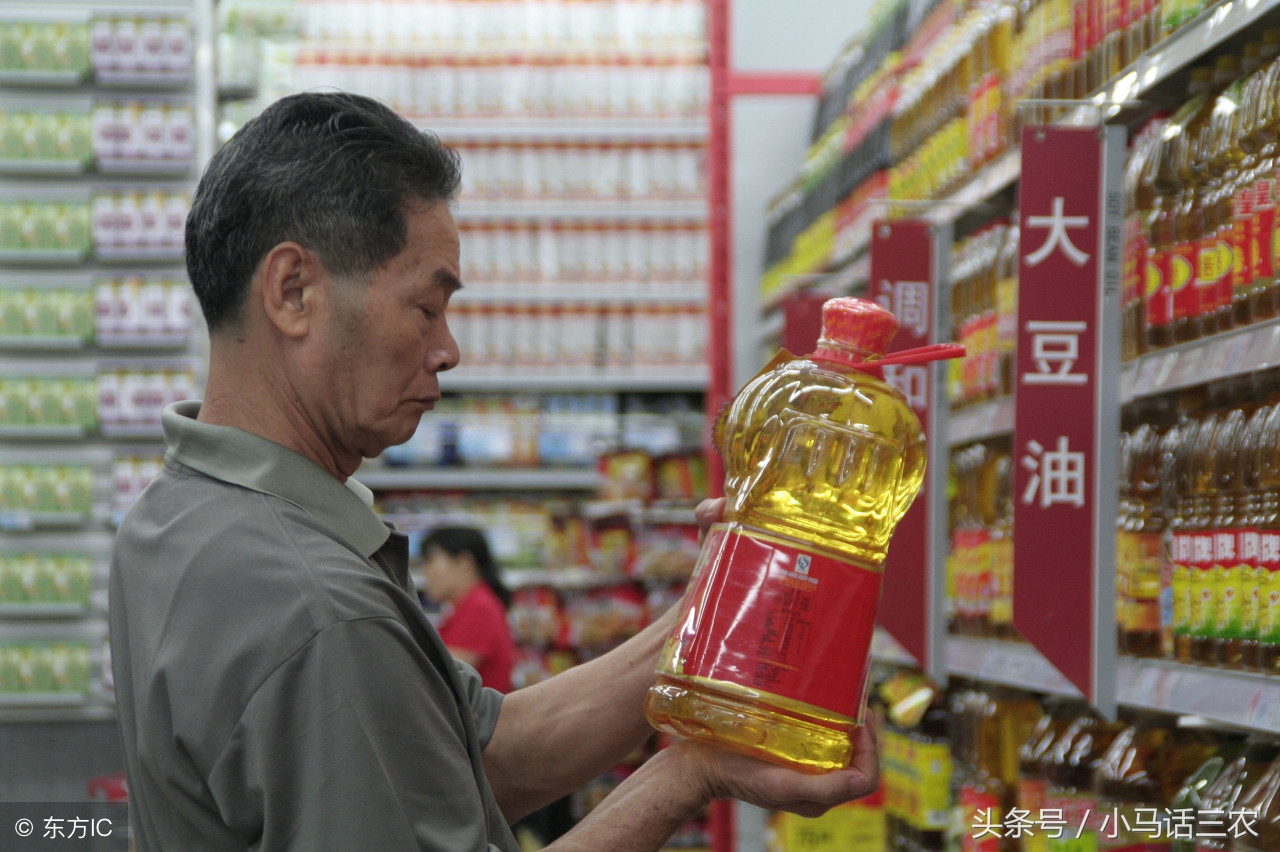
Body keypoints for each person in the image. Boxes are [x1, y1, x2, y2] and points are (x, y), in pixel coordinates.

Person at [108, 90, 878, 852]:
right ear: (293, 291)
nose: (449, 349)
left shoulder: (173, 519)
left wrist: (713, 610)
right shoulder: (322, 611)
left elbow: (470, 759)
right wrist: (691, 775)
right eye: (426, 306)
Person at [419, 527, 515, 693]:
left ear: (464, 563)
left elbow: (438, 677)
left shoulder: (479, 608)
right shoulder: (469, 605)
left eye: (431, 561)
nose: (426, 572)